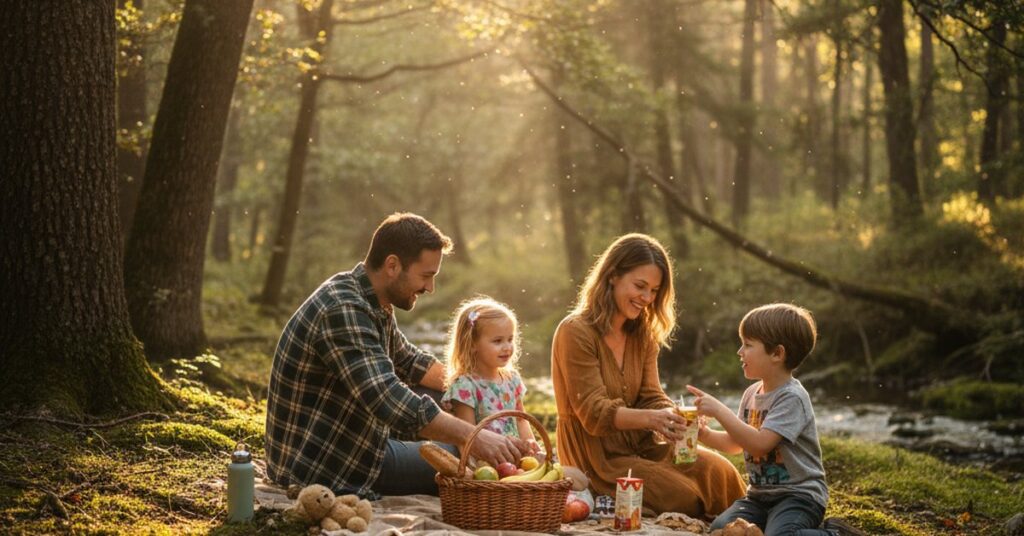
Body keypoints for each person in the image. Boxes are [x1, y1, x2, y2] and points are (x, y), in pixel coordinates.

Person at [265, 213, 526, 498]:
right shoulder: (342, 308)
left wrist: (477, 389)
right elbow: (388, 398)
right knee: (464, 457)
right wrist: (473, 436)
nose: (430, 288)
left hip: (354, 435)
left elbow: (409, 361)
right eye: (426, 276)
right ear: (392, 265)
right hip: (327, 461)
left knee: (462, 411)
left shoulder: (373, 300)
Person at [551, 233, 746, 518]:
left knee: (721, 472)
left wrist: (672, 415)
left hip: (643, 445)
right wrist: (653, 419)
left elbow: (651, 396)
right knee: (682, 495)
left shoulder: (642, 333)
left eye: (654, 291)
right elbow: (593, 414)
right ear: (613, 275)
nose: (647, 298)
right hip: (597, 457)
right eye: (640, 286)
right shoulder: (575, 331)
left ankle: (749, 525)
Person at [689, 303, 860, 535]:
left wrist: (720, 410)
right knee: (722, 529)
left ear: (777, 354)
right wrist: (703, 434)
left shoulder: (792, 397)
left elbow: (760, 445)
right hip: (759, 496)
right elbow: (736, 443)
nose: (740, 352)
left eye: (748, 345)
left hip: (799, 496)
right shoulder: (751, 393)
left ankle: (836, 533)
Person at [440, 297, 541, 456]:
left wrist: (530, 446)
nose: (507, 347)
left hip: (515, 458)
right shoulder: (465, 385)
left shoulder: (512, 379)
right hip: (487, 461)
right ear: (472, 344)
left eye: (510, 339)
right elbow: (466, 436)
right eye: (498, 341)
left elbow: (521, 419)